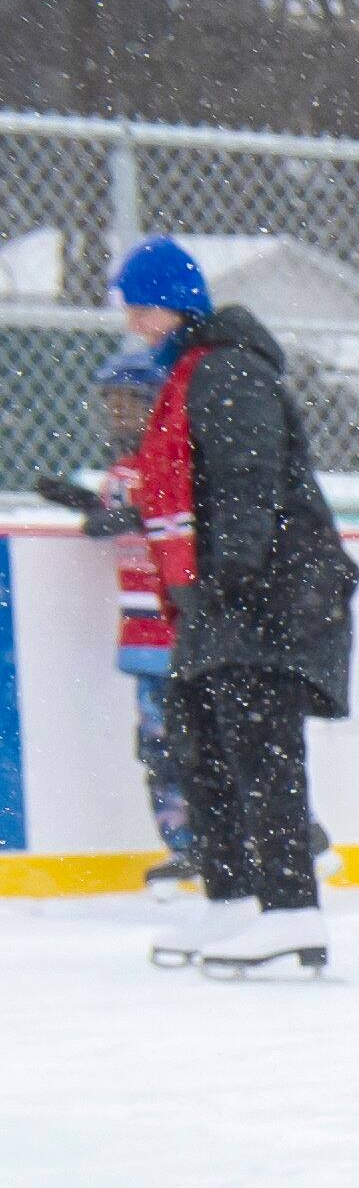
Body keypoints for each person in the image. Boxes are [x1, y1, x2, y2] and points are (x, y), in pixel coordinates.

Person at [113, 235, 359, 978]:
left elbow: (249, 477)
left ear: (174, 305)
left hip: (267, 592)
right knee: (200, 746)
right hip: (218, 596)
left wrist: (237, 571)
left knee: (262, 751)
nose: (134, 326)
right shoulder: (192, 373)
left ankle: (291, 910)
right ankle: (233, 897)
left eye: (142, 310)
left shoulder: (229, 372)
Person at [29, 345, 200, 890]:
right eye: (112, 404)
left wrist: (129, 517)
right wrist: (91, 507)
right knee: (157, 748)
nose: (120, 415)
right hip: (143, 638)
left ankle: (236, 840)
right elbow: (123, 523)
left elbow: (176, 517)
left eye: (132, 403)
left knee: (200, 742)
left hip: (182, 634)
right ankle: (184, 845)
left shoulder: (175, 461)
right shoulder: (119, 473)